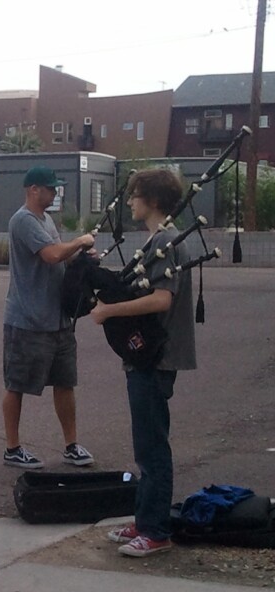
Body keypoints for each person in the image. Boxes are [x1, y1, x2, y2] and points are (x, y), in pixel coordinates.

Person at [91, 168, 196, 558]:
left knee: (153, 447)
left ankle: (156, 531)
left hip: (157, 357)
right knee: (145, 443)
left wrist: (110, 311)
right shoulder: (158, 239)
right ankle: (145, 516)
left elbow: (162, 299)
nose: (130, 202)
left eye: (135, 196)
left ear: (151, 200)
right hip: (144, 356)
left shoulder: (168, 241)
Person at [2, 166, 97, 469]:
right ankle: (12, 449)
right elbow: (51, 255)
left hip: (59, 319)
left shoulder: (46, 220)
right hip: (28, 320)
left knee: (65, 382)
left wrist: (82, 256)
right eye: (51, 189)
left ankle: (71, 445)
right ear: (33, 190)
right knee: (17, 384)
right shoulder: (23, 221)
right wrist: (80, 242)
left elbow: (62, 255)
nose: (55, 194)